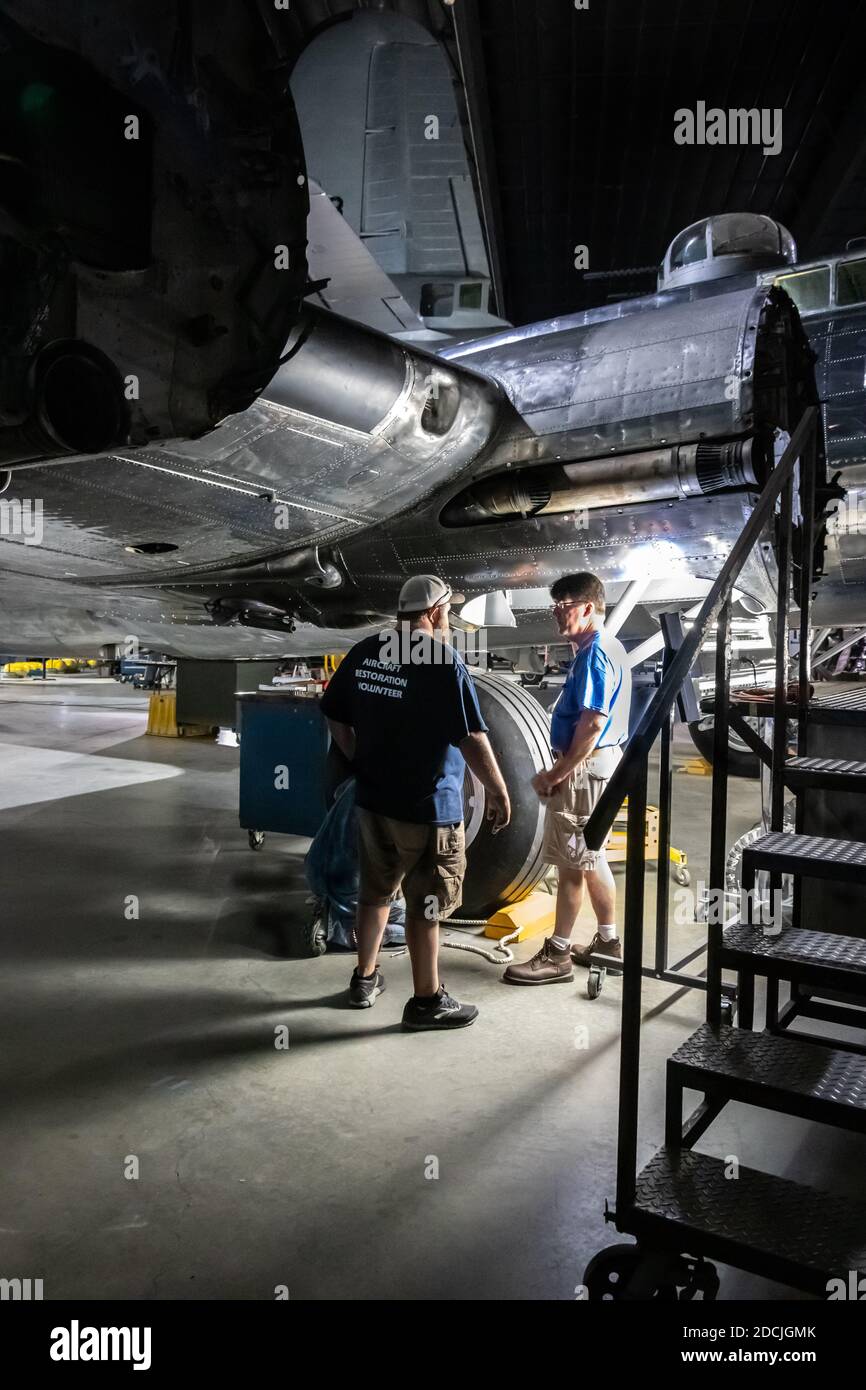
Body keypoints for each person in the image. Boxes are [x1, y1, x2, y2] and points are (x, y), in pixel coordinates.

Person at [320, 574, 511, 1029]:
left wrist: (357, 759)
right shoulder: (442, 660)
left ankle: (364, 979)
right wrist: (500, 790)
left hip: (373, 802)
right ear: (436, 612)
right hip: (428, 808)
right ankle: (427, 1001)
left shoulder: (367, 650)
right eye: (449, 609)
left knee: (376, 892)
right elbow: (471, 737)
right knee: (427, 904)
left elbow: (333, 713)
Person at [503, 572, 631, 985]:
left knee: (573, 864)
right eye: (554, 606)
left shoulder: (595, 653)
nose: (557, 614)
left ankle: (557, 954)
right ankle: (608, 944)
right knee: (589, 857)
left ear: (588, 608)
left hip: (583, 771)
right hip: (600, 767)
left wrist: (556, 772)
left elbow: (592, 725)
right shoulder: (608, 648)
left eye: (565, 606)